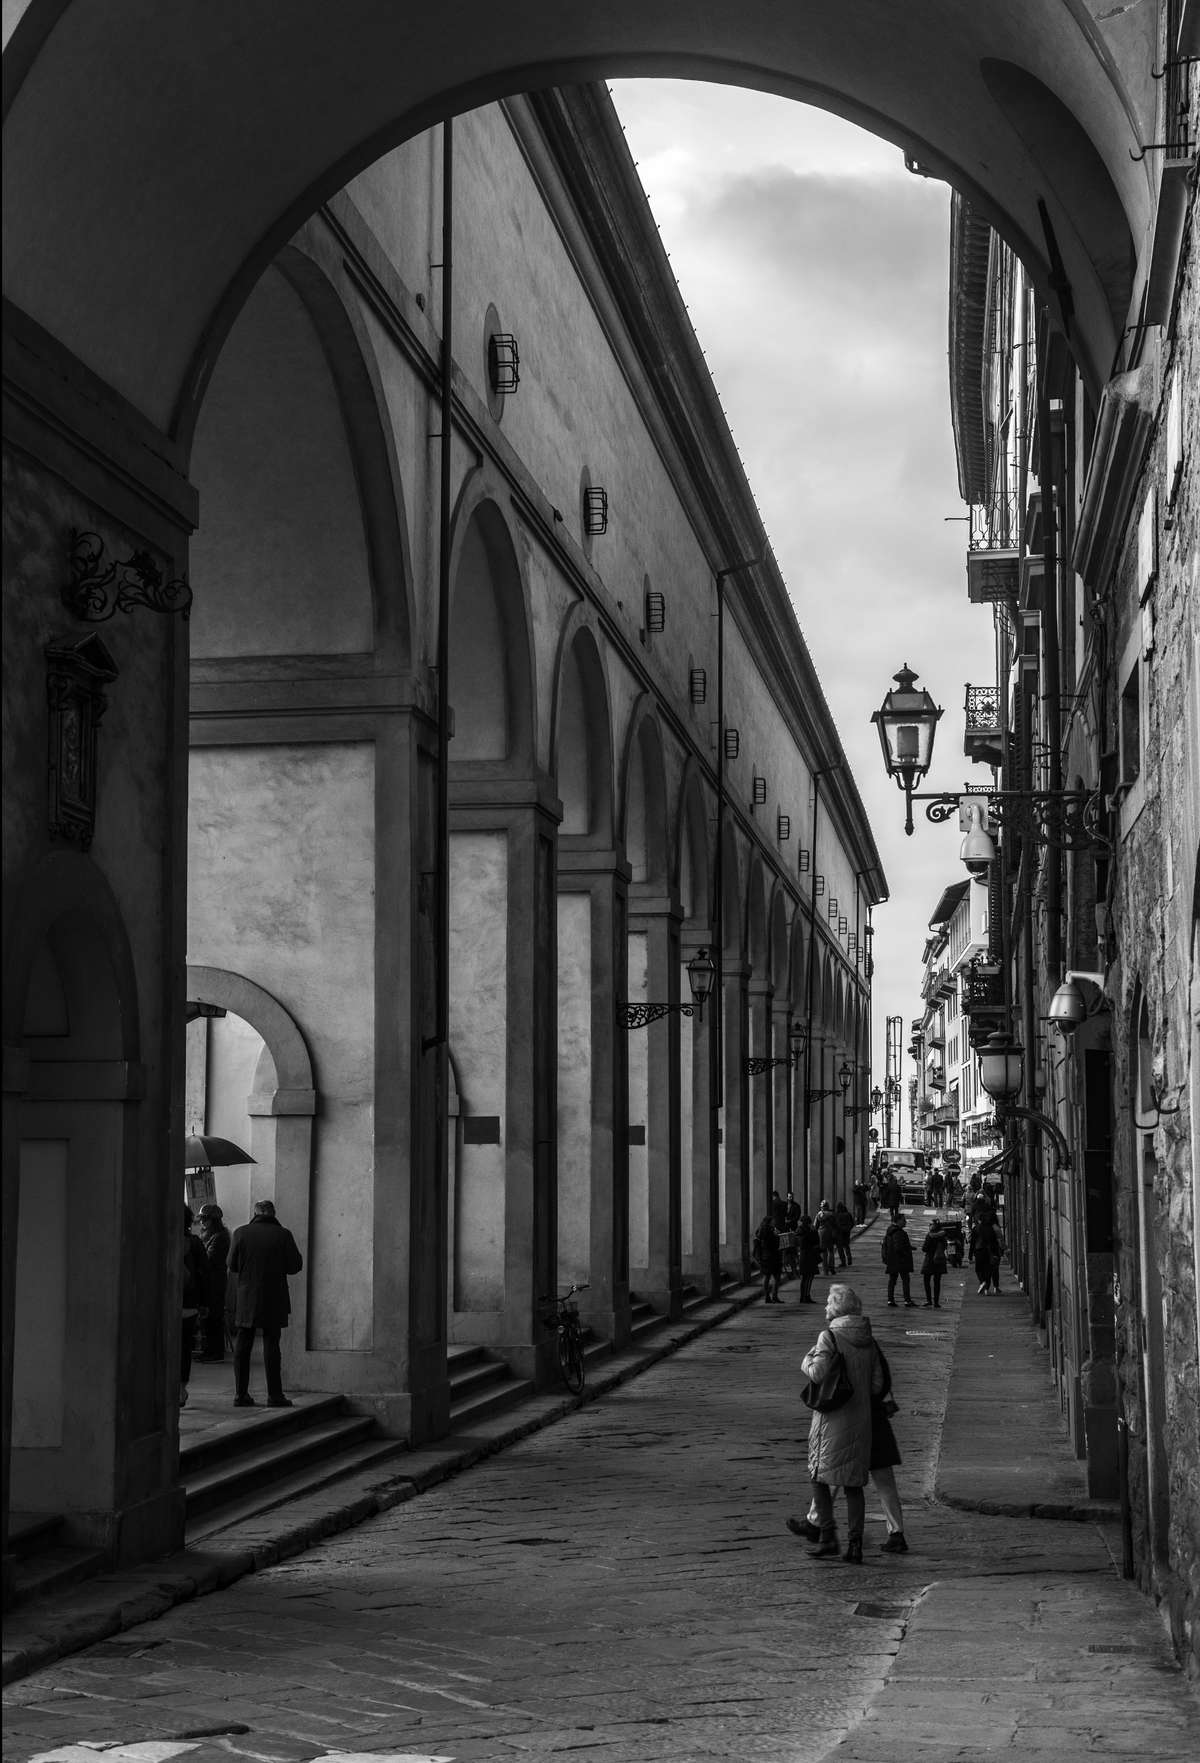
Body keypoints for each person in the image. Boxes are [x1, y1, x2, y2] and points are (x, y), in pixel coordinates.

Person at [789, 1284, 885, 1563]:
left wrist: (806, 1359)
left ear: (834, 1308)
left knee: (818, 1476)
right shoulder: (869, 1338)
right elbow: (877, 1384)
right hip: (861, 1419)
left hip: (832, 1419)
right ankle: (855, 1546)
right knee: (854, 1484)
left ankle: (828, 1537)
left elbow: (818, 1373)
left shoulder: (828, 1336)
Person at [228, 1198, 304, 1406]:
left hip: (247, 1296)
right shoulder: (283, 1234)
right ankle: (275, 1395)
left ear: (255, 1214)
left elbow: (232, 1265)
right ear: (273, 1214)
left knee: (243, 1344)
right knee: (272, 1344)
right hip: (274, 1296)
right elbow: (295, 1266)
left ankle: (240, 1394)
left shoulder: (240, 1233)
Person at [180, 1205, 209, 1408]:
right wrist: (205, 1302)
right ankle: (180, 1390)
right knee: (183, 1347)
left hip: (161, 1306)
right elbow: (204, 1274)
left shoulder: (155, 1239)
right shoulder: (195, 1243)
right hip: (188, 1304)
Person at [196, 1202, 231, 1361]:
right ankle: (209, 1350)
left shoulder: (220, 1237)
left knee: (214, 1317)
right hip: (209, 1281)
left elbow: (209, 1260)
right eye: (202, 1218)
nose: (202, 1221)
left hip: (215, 1283)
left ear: (214, 1220)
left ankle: (215, 1352)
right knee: (208, 1318)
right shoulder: (209, 1235)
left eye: (205, 1219)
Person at [881, 1213, 916, 1307]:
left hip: (892, 1260)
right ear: (898, 1221)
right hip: (900, 1261)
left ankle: (890, 1299)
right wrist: (906, 1253)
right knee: (905, 1280)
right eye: (903, 1220)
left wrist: (909, 1247)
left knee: (892, 1280)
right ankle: (907, 1300)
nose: (905, 1222)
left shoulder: (890, 1231)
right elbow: (898, 1247)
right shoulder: (899, 1232)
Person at [970, 1210, 1004, 1295]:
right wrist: (1002, 1250)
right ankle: (994, 1287)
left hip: (980, 1250)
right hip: (993, 1251)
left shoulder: (978, 1228)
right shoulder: (994, 1227)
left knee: (981, 1270)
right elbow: (999, 1240)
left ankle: (984, 1285)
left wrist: (970, 1254)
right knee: (993, 1269)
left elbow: (972, 1242)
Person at [754, 1209, 783, 1305]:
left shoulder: (760, 1230)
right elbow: (774, 1245)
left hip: (764, 1257)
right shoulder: (770, 1232)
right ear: (769, 1222)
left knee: (767, 1277)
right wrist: (777, 1235)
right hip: (772, 1257)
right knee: (777, 1277)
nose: (774, 1223)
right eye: (773, 1221)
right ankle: (774, 1296)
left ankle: (767, 1296)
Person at [920, 1215, 949, 1308]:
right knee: (937, 1281)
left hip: (929, 1260)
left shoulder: (930, 1236)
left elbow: (924, 1248)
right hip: (939, 1260)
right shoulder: (943, 1235)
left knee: (926, 1280)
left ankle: (929, 1300)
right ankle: (936, 1302)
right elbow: (945, 1246)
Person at [796, 1212, 821, 1303]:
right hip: (810, 1255)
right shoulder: (810, 1231)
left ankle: (803, 1296)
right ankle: (806, 1296)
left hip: (803, 1255)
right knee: (809, 1277)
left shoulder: (799, 1230)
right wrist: (813, 1231)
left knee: (804, 1277)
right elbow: (816, 1242)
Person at [816, 1201, 837, 1275]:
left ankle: (825, 1270)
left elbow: (815, 1225)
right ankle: (832, 1267)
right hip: (830, 1233)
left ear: (821, 1207)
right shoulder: (832, 1214)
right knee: (831, 1251)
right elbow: (835, 1224)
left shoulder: (819, 1214)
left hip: (821, 1234)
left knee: (824, 1252)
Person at [833, 1200, 854, 1267]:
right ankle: (849, 1259)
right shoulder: (848, 1214)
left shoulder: (837, 1215)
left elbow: (834, 1224)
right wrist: (849, 1228)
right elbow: (852, 1223)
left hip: (839, 1233)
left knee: (840, 1248)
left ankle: (843, 1262)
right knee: (846, 1246)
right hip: (847, 1232)